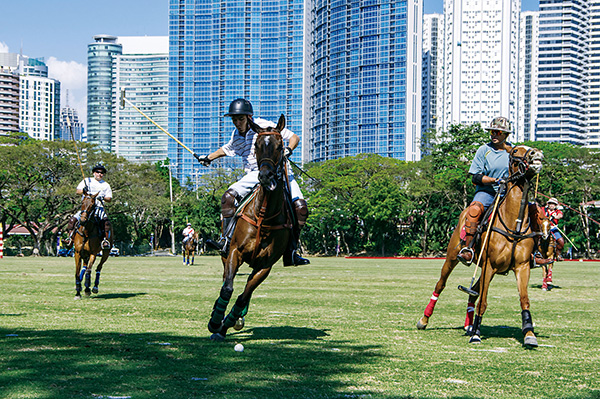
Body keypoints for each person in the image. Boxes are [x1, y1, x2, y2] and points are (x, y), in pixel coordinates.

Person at [196, 98, 309, 266]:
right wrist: (208, 158)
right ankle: (226, 241)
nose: (237, 123)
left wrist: (288, 150)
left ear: (249, 117)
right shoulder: (236, 135)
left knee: (301, 208)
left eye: (240, 119)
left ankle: (291, 251)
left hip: (280, 172)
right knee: (228, 198)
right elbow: (227, 149)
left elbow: (294, 137)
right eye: (234, 119)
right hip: (254, 174)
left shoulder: (263, 125)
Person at [456, 116, 513, 265]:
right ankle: (468, 249)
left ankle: (536, 251)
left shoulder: (513, 151)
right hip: (487, 192)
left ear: (506, 135)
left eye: (498, 132)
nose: (494, 135)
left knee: (533, 210)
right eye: (492, 132)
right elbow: (475, 177)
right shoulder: (484, 150)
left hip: (507, 193)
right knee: (474, 209)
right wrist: (494, 180)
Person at [64, 164, 113, 249]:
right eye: (97, 172)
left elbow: (109, 198)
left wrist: (103, 197)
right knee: (73, 220)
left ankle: (105, 240)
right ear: (94, 173)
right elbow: (77, 191)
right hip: (86, 208)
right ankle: (70, 239)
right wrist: (83, 190)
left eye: (102, 173)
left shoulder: (106, 185)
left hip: (98, 207)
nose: (99, 174)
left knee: (106, 223)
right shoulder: (87, 180)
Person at [545, 197, 565, 261]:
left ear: (555, 205)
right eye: (550, 204)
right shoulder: (544, 210)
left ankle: (558, 254)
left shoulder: (557, 211)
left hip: (553, 229)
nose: (551, 205)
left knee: (561, 241)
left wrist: (554, 217)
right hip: (544, 229)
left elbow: (560, 216)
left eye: (553, 204)